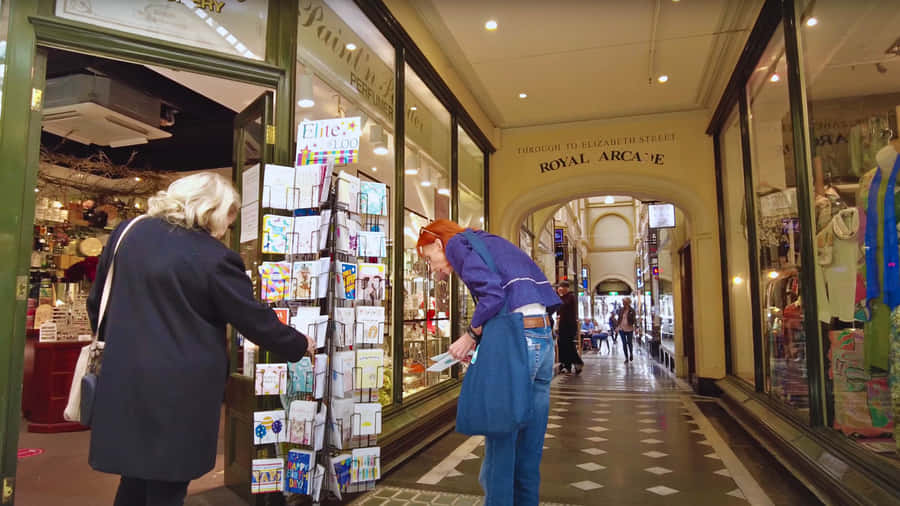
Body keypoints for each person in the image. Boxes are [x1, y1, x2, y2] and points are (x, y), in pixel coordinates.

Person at [86, 173, 315, 506]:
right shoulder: (214, 257)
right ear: (210, 209)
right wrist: (298, 343)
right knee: (169, 482)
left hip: (124, 377)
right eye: (228, 217)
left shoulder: (128, 233)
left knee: (134, 477)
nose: (226, 228)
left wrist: (123, 343)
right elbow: (251, 318)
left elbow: (97, 304)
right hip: (181, 388)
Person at [417, 219, 561, 506]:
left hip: (520, 339)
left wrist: (470, 335)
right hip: (542, 339)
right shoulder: (491, 243)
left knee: (500, 441)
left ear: (437, 242)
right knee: (529, 447)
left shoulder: (457, 243)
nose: (433, 269)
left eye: (429, 259)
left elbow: (492, 295)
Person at [555, 281, 584, 374]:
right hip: (563, 325)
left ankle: (577, 363)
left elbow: (563, 304)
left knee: (569, 345)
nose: (559, 289)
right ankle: (567, 365)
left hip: (569, 326)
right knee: (563, 344)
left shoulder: (570, 297)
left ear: (565, 288)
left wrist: (559, 295)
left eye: (561, 287)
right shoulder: (564, 297)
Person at [616, 297, 637, 363]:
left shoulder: (632, 310)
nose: (623, 303)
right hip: (621, 328)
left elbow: (634, 319)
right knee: (624, 343)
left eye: (624, 302)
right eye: (623, 302)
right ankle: (626, 357)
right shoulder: (621, 310)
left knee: (630, 343)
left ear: (628, 302)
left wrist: (636, 328)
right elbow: (619, 319)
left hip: (629, 328)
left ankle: (631, 353)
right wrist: (617, 327)